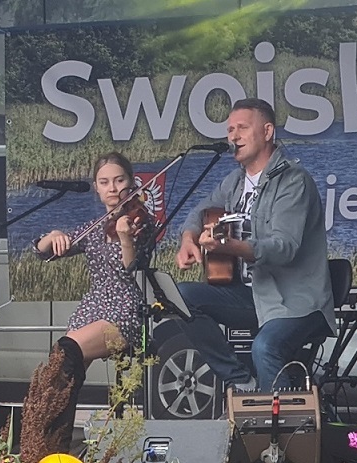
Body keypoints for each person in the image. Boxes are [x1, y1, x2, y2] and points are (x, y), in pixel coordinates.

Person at [174, 97, 334, 393]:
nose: (233, 136)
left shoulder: (292, 181)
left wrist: (230, 247)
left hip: (295, 302)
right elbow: (198, 211)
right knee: (181, 296)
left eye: (242, 128)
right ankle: (241, 381)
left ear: (268, 131)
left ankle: (285, 420)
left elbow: (284, 248)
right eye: (230, 130)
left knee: (265, 347)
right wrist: (188, 239)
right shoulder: (234, 182)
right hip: (251, 296)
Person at [27, 152, 149, 441]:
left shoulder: (140, 222)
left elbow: (131, 268)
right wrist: (53, 236)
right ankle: (50, 442)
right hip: (92, 309)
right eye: (104, 182)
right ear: (96, 187)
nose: (113, 188)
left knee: (67, 349)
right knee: (59, 373)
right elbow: (42, 252)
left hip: (124, 311)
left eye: (119, 180)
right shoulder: (95, 227)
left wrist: (125, 238)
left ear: (131, 182)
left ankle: (58, 443)